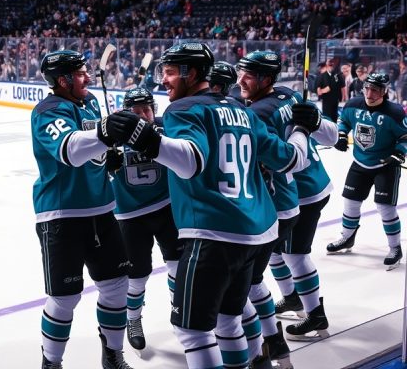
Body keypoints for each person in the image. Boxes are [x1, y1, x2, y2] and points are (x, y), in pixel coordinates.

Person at [100, 43, 318, 368]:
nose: (164, 80)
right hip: (258, 232)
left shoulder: (183, 109)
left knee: (191, 331)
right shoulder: (243, 110)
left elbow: (191, 161)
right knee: (229, 319)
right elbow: (293, 159)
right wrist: (302, 129)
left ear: (190, 73)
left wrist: (144, 139)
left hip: (214, 233)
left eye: (169, 72)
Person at [32, 50, 133, 369]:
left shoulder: (90, 102)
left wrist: (109, 155)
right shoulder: (48, 111)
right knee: (65, 298)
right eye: (79, 73)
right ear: (62, 81)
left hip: (102, 209)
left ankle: (113, 356)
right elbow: (71, 151)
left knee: (117, 287)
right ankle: (51, 362)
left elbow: (96, 148)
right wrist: (105, 134)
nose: (87, 77)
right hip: (62, 215)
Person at [236, 51, 338, 354]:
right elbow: (331, 136)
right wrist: (316, 121)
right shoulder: (288, 95)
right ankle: (292, 297)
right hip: (311, 184)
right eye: (240, 73)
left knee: (295, 254)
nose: (240, 81)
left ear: (265, 79)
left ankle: (315, 314)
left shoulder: (259, 112)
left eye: (248, 75)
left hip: (298, 194)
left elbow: (283, 160)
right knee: (277, 251)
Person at [107, 87, 180, 354]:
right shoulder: (111, 135)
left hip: (167, 209)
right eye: (135, 111)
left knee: (178, 266)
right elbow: (87, 167)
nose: (142, 115)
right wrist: (104, 163)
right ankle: (133, 319)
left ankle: (179, 310)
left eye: (146, 109)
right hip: (130, 217)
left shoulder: (165, 128)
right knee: (137, 276)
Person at [329, 72, 407, 270]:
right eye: (367, 88)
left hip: (385, 165)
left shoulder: (395, 112)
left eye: (376, 90)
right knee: (350, 202)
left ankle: (395, 248)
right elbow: (344, 121)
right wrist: (341, 134)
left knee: (385, 207)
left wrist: (399, 153)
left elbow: (405, 136)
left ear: (384, 91)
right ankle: (347, 237)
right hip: (360, 162)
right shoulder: (353, 105)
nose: (370, 94)